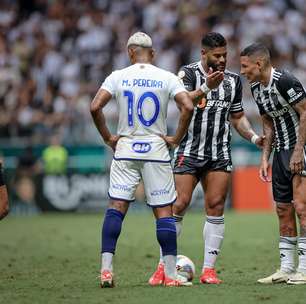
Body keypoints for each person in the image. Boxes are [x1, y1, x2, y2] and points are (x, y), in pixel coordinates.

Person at [149, 32, 264, 285]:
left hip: (219, 152)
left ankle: (209, 270)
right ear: (204, 54)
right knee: (178, 204)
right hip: (189, 150)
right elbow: (183, 103)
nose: (222, 60)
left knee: (215, 206)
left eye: (225, 55)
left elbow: (237, 117)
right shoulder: (188, 74)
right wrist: (205, 88)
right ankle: (162, 268)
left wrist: (255, 137)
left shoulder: (234, 81)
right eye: (217, 56)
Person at [90, 32, 195, 287]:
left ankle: (106, 270)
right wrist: (176, 138)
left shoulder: (118, 76)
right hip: (156, 150)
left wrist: (108, 138)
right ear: (153, 53)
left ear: (130, 52)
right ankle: (170, 276)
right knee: (163, 212)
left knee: (116, 207)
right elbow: (188, 107)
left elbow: (95, 107)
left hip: (125, 148)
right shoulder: (166, 77)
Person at [240, 43, 306, 285]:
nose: (243, 71)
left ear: (259, 64)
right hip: (279, 152)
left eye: (245, 66)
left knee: (302, 207)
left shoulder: (285, 80)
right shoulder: (256, 87)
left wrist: (299, 151)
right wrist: (265, 156)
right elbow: (267, 120)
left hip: (300, 149)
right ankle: (287, 268)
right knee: (282, 209)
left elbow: (305, 112)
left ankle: (305, 269)